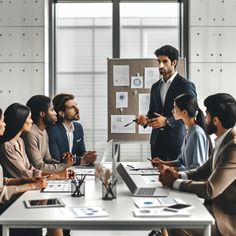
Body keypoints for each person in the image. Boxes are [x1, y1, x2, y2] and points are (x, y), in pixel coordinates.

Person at [159, 93, 236, 236]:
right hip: (210, 210)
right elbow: (201, 171)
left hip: (225, 221)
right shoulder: (222, 141)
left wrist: (175, 182)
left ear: (215, 120)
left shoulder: (233, 148)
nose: (204, 118)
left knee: (175, 226)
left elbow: (210, 189)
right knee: (167, 217)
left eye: (207, 114)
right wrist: (177, 175)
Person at [0, 107, 61, 236]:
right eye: (29, 118)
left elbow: (30, 169)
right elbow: (22, 173)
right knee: (49, 204)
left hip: (20, 191)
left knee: (53, 204)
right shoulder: (6, 146)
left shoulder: (20, 141)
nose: (32, 121)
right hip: (14, 197)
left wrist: (44, 177)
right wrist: (36, 182)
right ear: (20, 121)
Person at [136, 45, 197, 160]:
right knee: (155, 176)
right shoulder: (155, 87)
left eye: (164, 61)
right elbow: (152, 112)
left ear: (174, 62)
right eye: (158, 61)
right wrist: (145, 119)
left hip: (176, 142)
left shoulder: (185, 85)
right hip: (156, 141)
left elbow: (192, 114)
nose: (160, 65)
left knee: (174, 175)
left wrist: (167, 121)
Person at [152, 93, 212, 171]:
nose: (172, 111)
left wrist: (170, 169)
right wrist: (163, 163)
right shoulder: (189, 130)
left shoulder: (197, 133)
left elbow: (197, 168)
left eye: (175, 107)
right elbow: (181, 161)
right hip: (186, 178)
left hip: (194, 180)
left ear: (184, 112)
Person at [23, 95, 75, 173]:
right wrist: (64, 165)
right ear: (42, 114)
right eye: (52, 110)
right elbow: (39, 166)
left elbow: (47, 159)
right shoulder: (31, 134)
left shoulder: (44, 131)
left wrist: (64, 162)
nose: (55, 113)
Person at [47, 93, 97, 165]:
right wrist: (81, 161)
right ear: (62, 113)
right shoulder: (52, 130)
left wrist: (88, 157)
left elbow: (81, 153)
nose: (77, 109)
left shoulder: (78, 127)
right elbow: (56, 158)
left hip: (72, 169)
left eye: (76, 105)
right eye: (72, 107)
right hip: (59, 171)